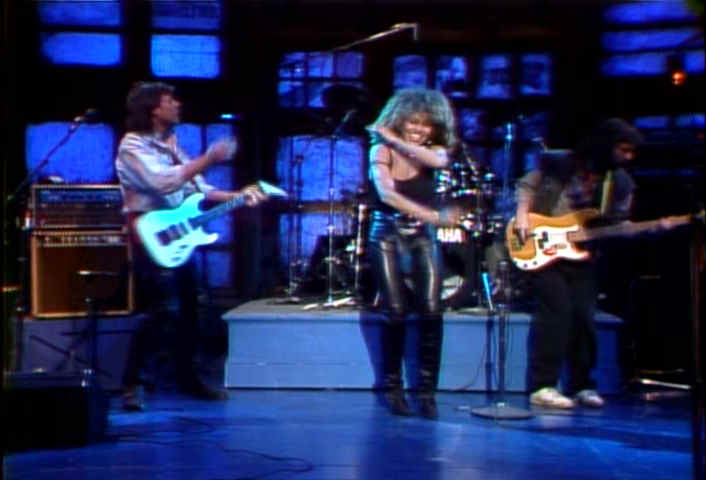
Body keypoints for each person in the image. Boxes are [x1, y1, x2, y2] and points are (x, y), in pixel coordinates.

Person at [115, 81, 266, 411]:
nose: (178, 105)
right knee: (160, 309)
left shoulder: (171, 144)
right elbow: (161, 182)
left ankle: (189, 377)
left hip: (179, 234)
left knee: (191, 308)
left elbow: (198, 190)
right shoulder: (132, 145)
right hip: (151, 234)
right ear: (153, 108)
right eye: (170, 101)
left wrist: (239, 196)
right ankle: (134, 383)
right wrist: (209, 158)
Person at [512, 118, 644, 409]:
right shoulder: (561, 162)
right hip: (542, 246)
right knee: (556, 312)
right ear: (607, 145)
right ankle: (542, 385)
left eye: (632, 152)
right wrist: (522, 216)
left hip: (583, 253)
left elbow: (617, 220)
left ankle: (582, 384)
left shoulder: (621, 182)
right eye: (623, 149)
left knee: (584, 318)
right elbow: (527, 184)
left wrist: (625, 230)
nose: (628, 157)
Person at [366, 88, 462, 419]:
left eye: (426, 124)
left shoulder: (432, 151)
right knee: (395, 311)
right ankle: (393, 388)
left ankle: (427, 392)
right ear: (399, 119)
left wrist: (394, 138)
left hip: (423, 236)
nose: (419, 130)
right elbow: (387, 195)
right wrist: (433, 216)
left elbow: (438, 161)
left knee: (432, 311)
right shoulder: (379, 150)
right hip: (387, 233)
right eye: (412, 122)